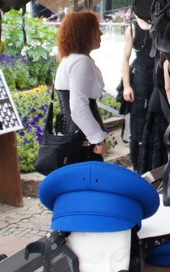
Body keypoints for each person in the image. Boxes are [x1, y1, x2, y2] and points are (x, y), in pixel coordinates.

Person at [53, 11, 110, 162]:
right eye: (96, 30)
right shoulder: (80, 62)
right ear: (85, 33)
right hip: (81, 139)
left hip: (76, 134)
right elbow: (78, 107)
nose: (101, 33)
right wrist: (98, 139)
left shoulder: (71, 59)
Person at [135, 56, 170, 174]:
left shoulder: (167, 52)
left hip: (169, 107)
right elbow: (169, 88)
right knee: (161, 157)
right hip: (164, 111)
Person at [121, 12, 156, 171]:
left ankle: (153, 163)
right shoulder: (132, 28)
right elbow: (125, 58)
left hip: (158, 76)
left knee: (156, 120)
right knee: (137, 123)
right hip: (141, 76)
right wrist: (126, 85)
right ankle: (138, 165)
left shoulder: (160, 23)